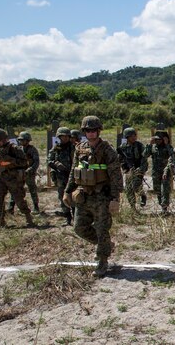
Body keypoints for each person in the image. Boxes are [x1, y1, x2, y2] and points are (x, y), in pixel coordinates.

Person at [64, 116, 124, 278]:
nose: (91, 133)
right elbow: (73, 171)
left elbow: (115, 175)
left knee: (102, 229)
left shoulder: (107, 150)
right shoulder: (80, 148)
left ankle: (102, 261)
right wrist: (67, 191)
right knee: (79, 228)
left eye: (94, 130)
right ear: (84, 132)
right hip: (83, 195)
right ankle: (105, 245)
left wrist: (115, 198)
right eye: (88, 131)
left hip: (101, 196)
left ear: (99, 131)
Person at [0, 129, 35, 227]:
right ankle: (1, 221)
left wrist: (11, 161)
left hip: (13, 178)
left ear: (5, 139)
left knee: (19, 200)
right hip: (1, 177)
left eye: (0, 140)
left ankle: (28, 218)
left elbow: (24, 163)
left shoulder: (15, 149)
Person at [47, 127, 76, 225]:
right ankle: (67, 217)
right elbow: (49, 160)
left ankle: (76, 217)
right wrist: (56, 164)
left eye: (67, 136)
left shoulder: (74, 147)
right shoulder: (56, 148)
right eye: (62, 137)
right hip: (60, 176)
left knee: (74, 196)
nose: (65, 138)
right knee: (62, 196)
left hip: (72, 176)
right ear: (59, 137)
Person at [12, 131, 42, 214]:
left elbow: (36, 162)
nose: (21, 142)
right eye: (20, 140)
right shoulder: (18, 149)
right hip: (20, 173)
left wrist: (31, 169)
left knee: (32, 190)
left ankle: (36, 207)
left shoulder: (32, 150)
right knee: (16, 190)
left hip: (29, 173)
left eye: (23, 140)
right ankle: (11, 207)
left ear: (27, 140)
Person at [118, 128, 148, 210]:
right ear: (127, 137)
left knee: (136, 186)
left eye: (135, 135)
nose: (134, 137)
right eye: (132, 136)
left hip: (138, 170)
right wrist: (125, 169)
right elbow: (120, 159)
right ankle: (133, 207)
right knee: (128, 189)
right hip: (128, 171)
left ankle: (142, 195)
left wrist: (141, 169)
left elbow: (144, 158)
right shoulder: (123, 147)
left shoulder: (139, 146)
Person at [146, 131, 173, 214]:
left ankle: (165, 208)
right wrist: (149, 144)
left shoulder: (168, 147)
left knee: (164, 189)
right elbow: (145, 154)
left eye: (160, 139)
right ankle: (162, 205)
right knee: (157, 190)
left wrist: (167, 144)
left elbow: (172, 155)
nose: (158, 141)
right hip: (156, 172)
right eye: (156, 139)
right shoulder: (153, 147)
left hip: (166, 171)